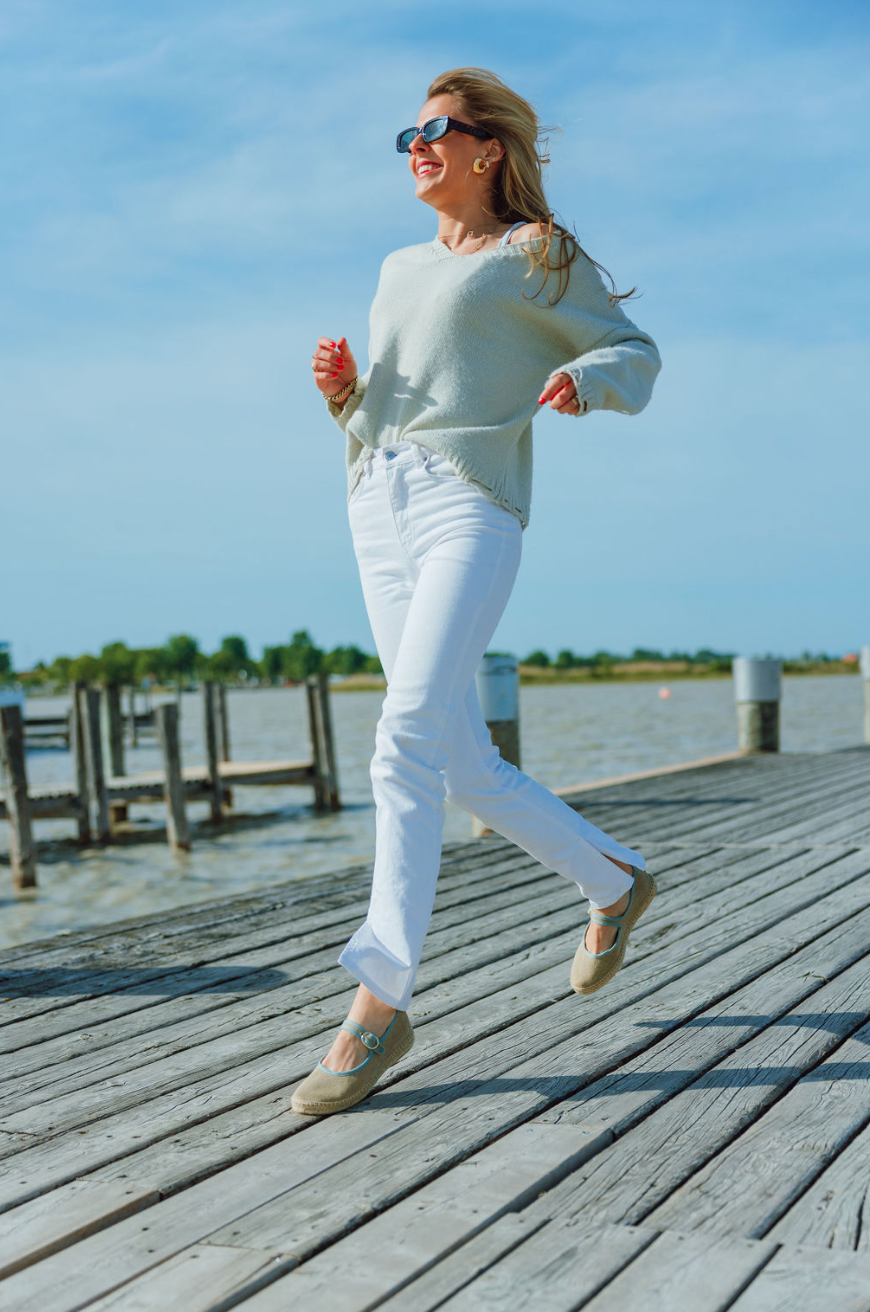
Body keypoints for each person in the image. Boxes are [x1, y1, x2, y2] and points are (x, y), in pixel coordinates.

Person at [292, 67, 661, 1117]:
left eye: (436, 129)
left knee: (402, 736)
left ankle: (379, 1001)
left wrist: (590, 381)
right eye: (406, 133)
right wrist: (345, 396)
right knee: (457, 760)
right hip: (376, 497)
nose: (415, 145)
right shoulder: (398, 265)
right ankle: (614, 881)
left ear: (487, 148)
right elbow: (391, 406)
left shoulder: (537, 254)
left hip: (468, 499)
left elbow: (634, 347)